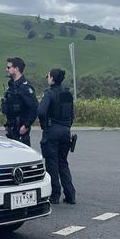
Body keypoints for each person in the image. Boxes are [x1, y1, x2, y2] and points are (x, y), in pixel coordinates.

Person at [37, 68, 76, 204]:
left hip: (52, 130)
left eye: (48, 76)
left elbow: (41, 111)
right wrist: (67, 126)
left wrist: (44, 124)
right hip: (66, 131)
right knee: (63, 163)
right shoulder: (67, 94)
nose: (47, 78)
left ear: (52, 78)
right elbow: (72, 114)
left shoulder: (49, 93)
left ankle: (54, 195)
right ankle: (70, 195)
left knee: (52, 164)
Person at [1, 57, 38, 146]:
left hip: (20, 131)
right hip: (11, 129)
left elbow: (35, 107)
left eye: (9, 67)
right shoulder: (12, 85)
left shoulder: (24, 87)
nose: (7, 69)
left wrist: (26, 125)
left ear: (16, 69)